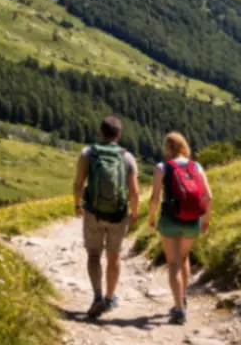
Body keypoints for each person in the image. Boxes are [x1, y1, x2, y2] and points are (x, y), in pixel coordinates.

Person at [73, 116, 140, 318]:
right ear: (118, 135)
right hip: (118, 215)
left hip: (93, 212)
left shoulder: (88, 153)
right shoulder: (127, 157)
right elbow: (134, 192)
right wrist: (134, 213)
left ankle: (97, 296)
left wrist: (77, 204)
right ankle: (110, 298)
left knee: (94, 255)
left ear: (100, 132)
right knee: (114, 257)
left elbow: (78, 184)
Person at [147, 131, 213, 325]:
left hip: (170, 220)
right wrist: (206, 219)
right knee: (184, 258)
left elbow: (154, 198)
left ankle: (179, 309)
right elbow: (208, 196)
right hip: (193, 220)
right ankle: (182, 298)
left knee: (173, 263)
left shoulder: (162, 167)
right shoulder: (196, 166)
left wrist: (151, 218)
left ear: (167, 148)